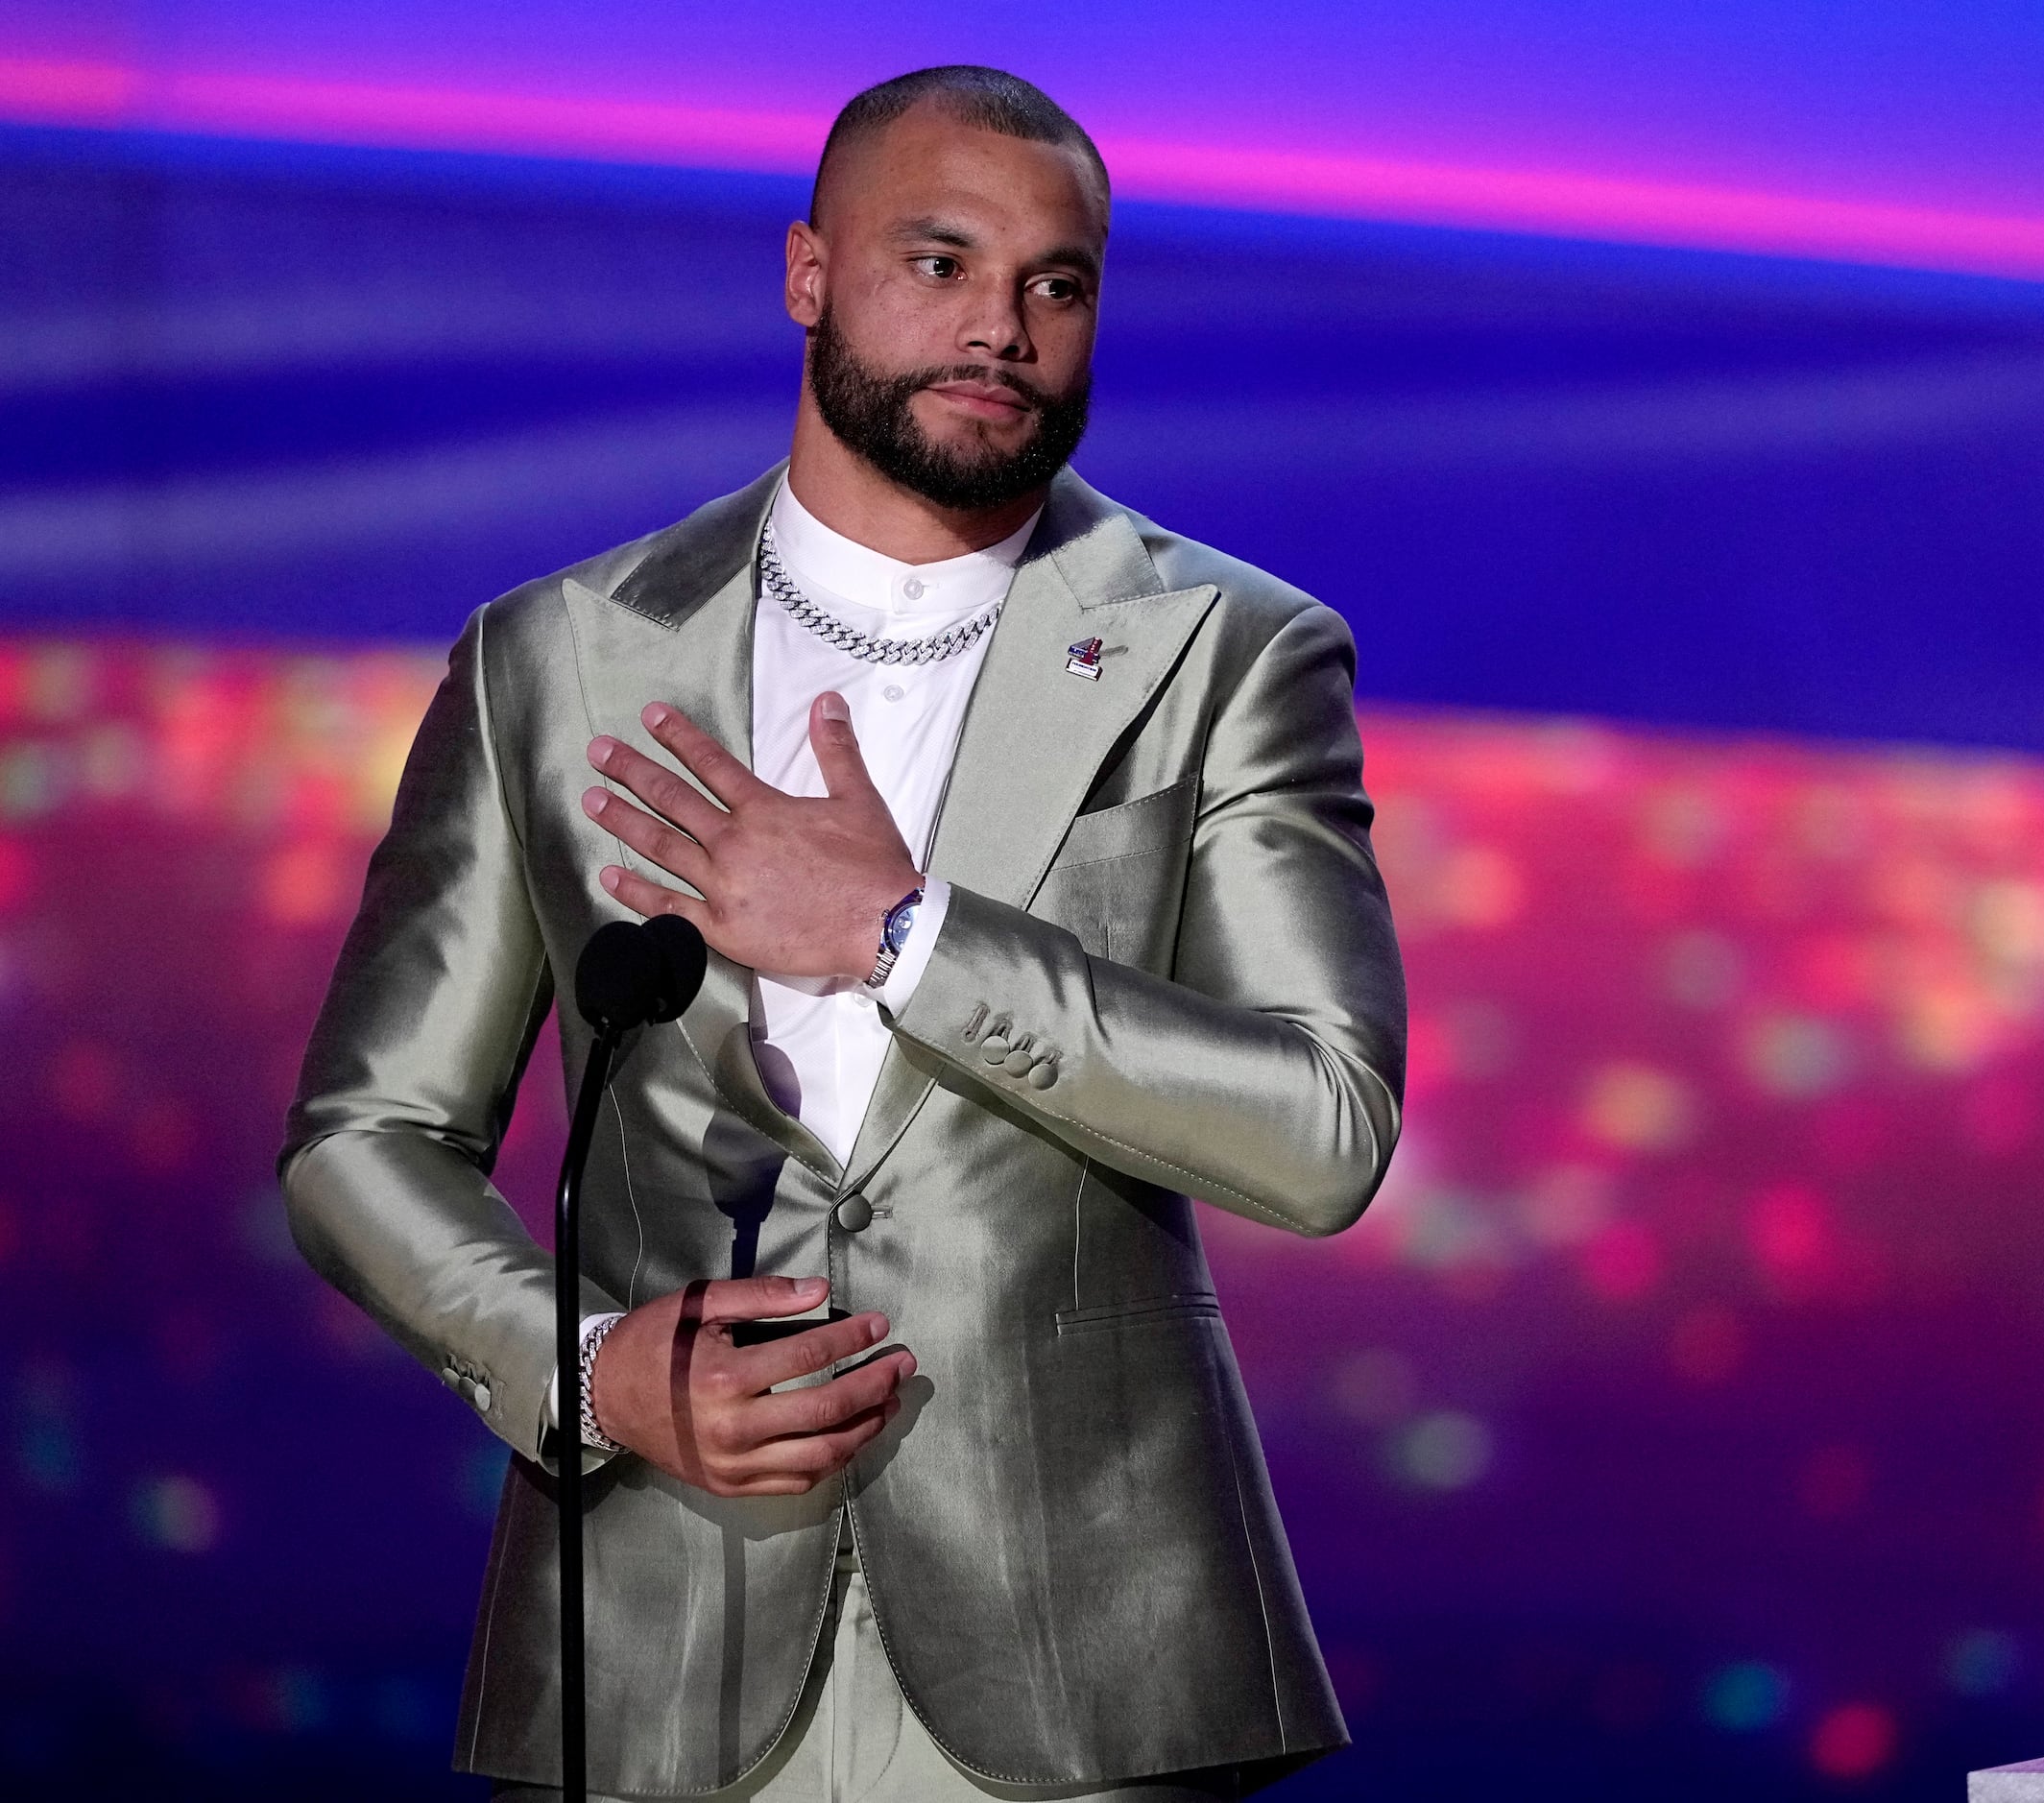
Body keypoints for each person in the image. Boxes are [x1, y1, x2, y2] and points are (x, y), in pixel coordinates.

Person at [281, 66, 1406, 1801]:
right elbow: (367, 1136)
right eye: (938, 263)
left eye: (1056, 283)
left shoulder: (1226, 651)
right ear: (807, 273)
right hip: (655, 1632)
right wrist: (586, 1372)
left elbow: (1323, 1127)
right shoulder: (558, 655)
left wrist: (905, 932)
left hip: (1088, 1657)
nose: (1002, 330)